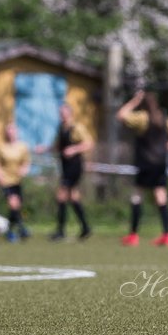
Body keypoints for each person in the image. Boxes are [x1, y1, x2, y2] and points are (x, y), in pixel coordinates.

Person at [116, 89, 168, 247]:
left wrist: (134, 101)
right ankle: (167, 235)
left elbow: (120, 115)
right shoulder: (164, 118)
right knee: (161, 197)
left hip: (145, 163)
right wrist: (167, 146)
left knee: (137, 196)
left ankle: (133, 235)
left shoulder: (142, 118)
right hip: (160, 162)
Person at [48, 102, 94, 240]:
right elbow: (57, 147)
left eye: (64, 113)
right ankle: (85, 227)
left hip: (74, 167)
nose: (61, 116)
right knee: (73, 197)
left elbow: (89, 143)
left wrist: (74, 149)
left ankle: (60, 231)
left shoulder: (77, 128)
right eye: (60, 113)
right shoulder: (61, 128)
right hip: (65, 166)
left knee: (61, 195)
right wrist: (44, 149)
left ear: (70, 113)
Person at [0, 122, 31, 241]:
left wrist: (24, 170)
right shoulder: (1, 146)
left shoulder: (22, 147)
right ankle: (22, 229)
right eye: (8, 130)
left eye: (13, 130)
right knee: (13, 204)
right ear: (6, 132)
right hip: (5, 181)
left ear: (16, 132)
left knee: (16, 207)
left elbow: (26, 162)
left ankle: (9, 232)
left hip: (17, 181)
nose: (11, 132)